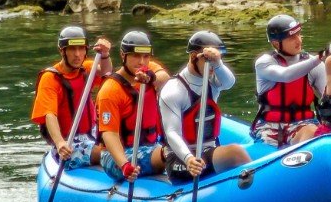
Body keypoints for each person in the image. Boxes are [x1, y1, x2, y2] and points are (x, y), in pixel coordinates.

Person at [158, 30, 251, 183]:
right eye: (209, 60)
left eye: (217, 60)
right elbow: (172, 132)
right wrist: (189, 159)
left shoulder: (213, 81)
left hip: (208, 150)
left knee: (236, 154)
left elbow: (229, 83)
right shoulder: (173, 90)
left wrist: (217, 62)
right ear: (194, 57)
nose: (213, 66)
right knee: (235, 153)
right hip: (182, 160)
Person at [31, 25, 113, 169]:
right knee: (109, 155)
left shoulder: (87, 69)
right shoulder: (50, 78)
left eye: (81, 49)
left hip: (93, 135)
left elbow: (106, 71)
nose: (77, 54)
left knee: (121, 147)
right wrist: (59, 142)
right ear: (62, 51)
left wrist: (105, 55)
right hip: (68, 143)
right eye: (72, 49)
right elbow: (49, 114)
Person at [97, 30, 171, 183]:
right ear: (123, 56)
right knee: (170, 154)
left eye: (146, 56)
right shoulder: (110, 90)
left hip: (150, 145)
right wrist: (124, 165)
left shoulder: (148, 69)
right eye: (136, 56)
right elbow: (109, 134)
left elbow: (165, 78)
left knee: (180, 150)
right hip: (118, 156)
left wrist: (151, 77)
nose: (142, 62)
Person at [251, 14, 327, 146]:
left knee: (311, 131)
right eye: (292, 37)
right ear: (276, 43)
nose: (298, 40)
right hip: (269, 127)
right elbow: (286, 76)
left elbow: (329, 97)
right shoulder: (264, 63)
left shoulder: (315, 65)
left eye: (299, 34)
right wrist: (319, 58)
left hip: (304, 124)